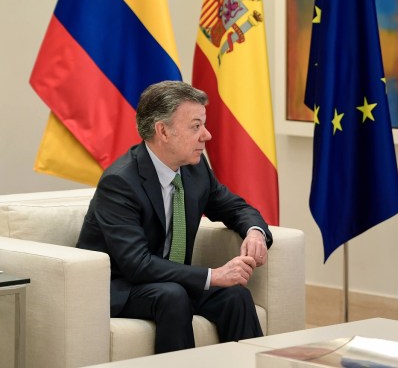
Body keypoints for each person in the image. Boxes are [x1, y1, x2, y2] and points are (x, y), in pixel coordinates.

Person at [77, 80, 272, 353]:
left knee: (235, 295)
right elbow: (136, 264)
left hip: (171, 281)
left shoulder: (195, 168)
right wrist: (212, 275)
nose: (207, 135)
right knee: (173, 294)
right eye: (196, 126)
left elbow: (236, 208)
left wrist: (255, 232)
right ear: (163, 131)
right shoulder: (120, 182)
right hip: (122, 287)